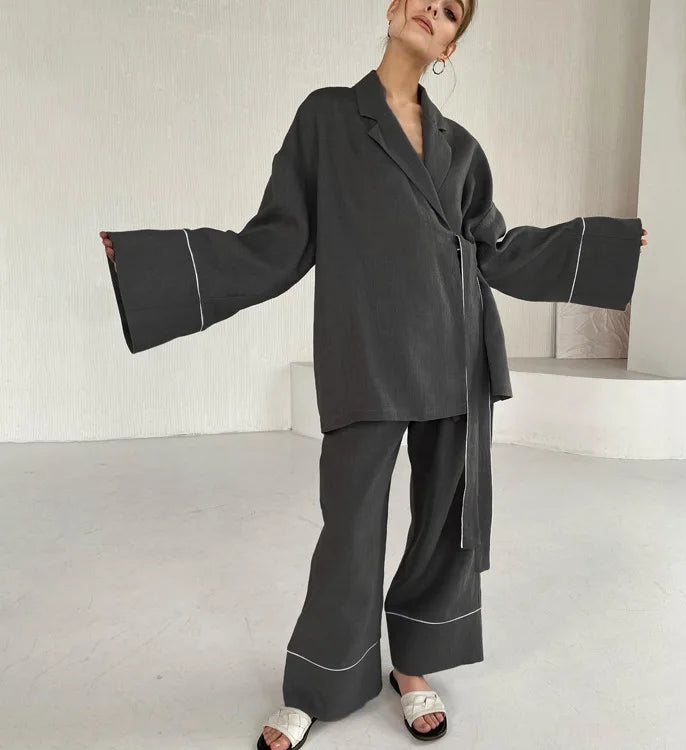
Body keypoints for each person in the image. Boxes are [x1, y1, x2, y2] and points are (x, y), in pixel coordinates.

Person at [100, 1, 649, 747]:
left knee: (443, 525)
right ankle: (321, 683)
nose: (433, 10)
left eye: (451, 12)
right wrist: (158, 266)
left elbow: (498, 248)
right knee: (351, 527)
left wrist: (606, 247)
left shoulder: (461, 147)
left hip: (456, 350)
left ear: (449, 44)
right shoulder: (328, 117)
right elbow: (277, 242)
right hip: (367, 351)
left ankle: (414, 667)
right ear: (394, 8)